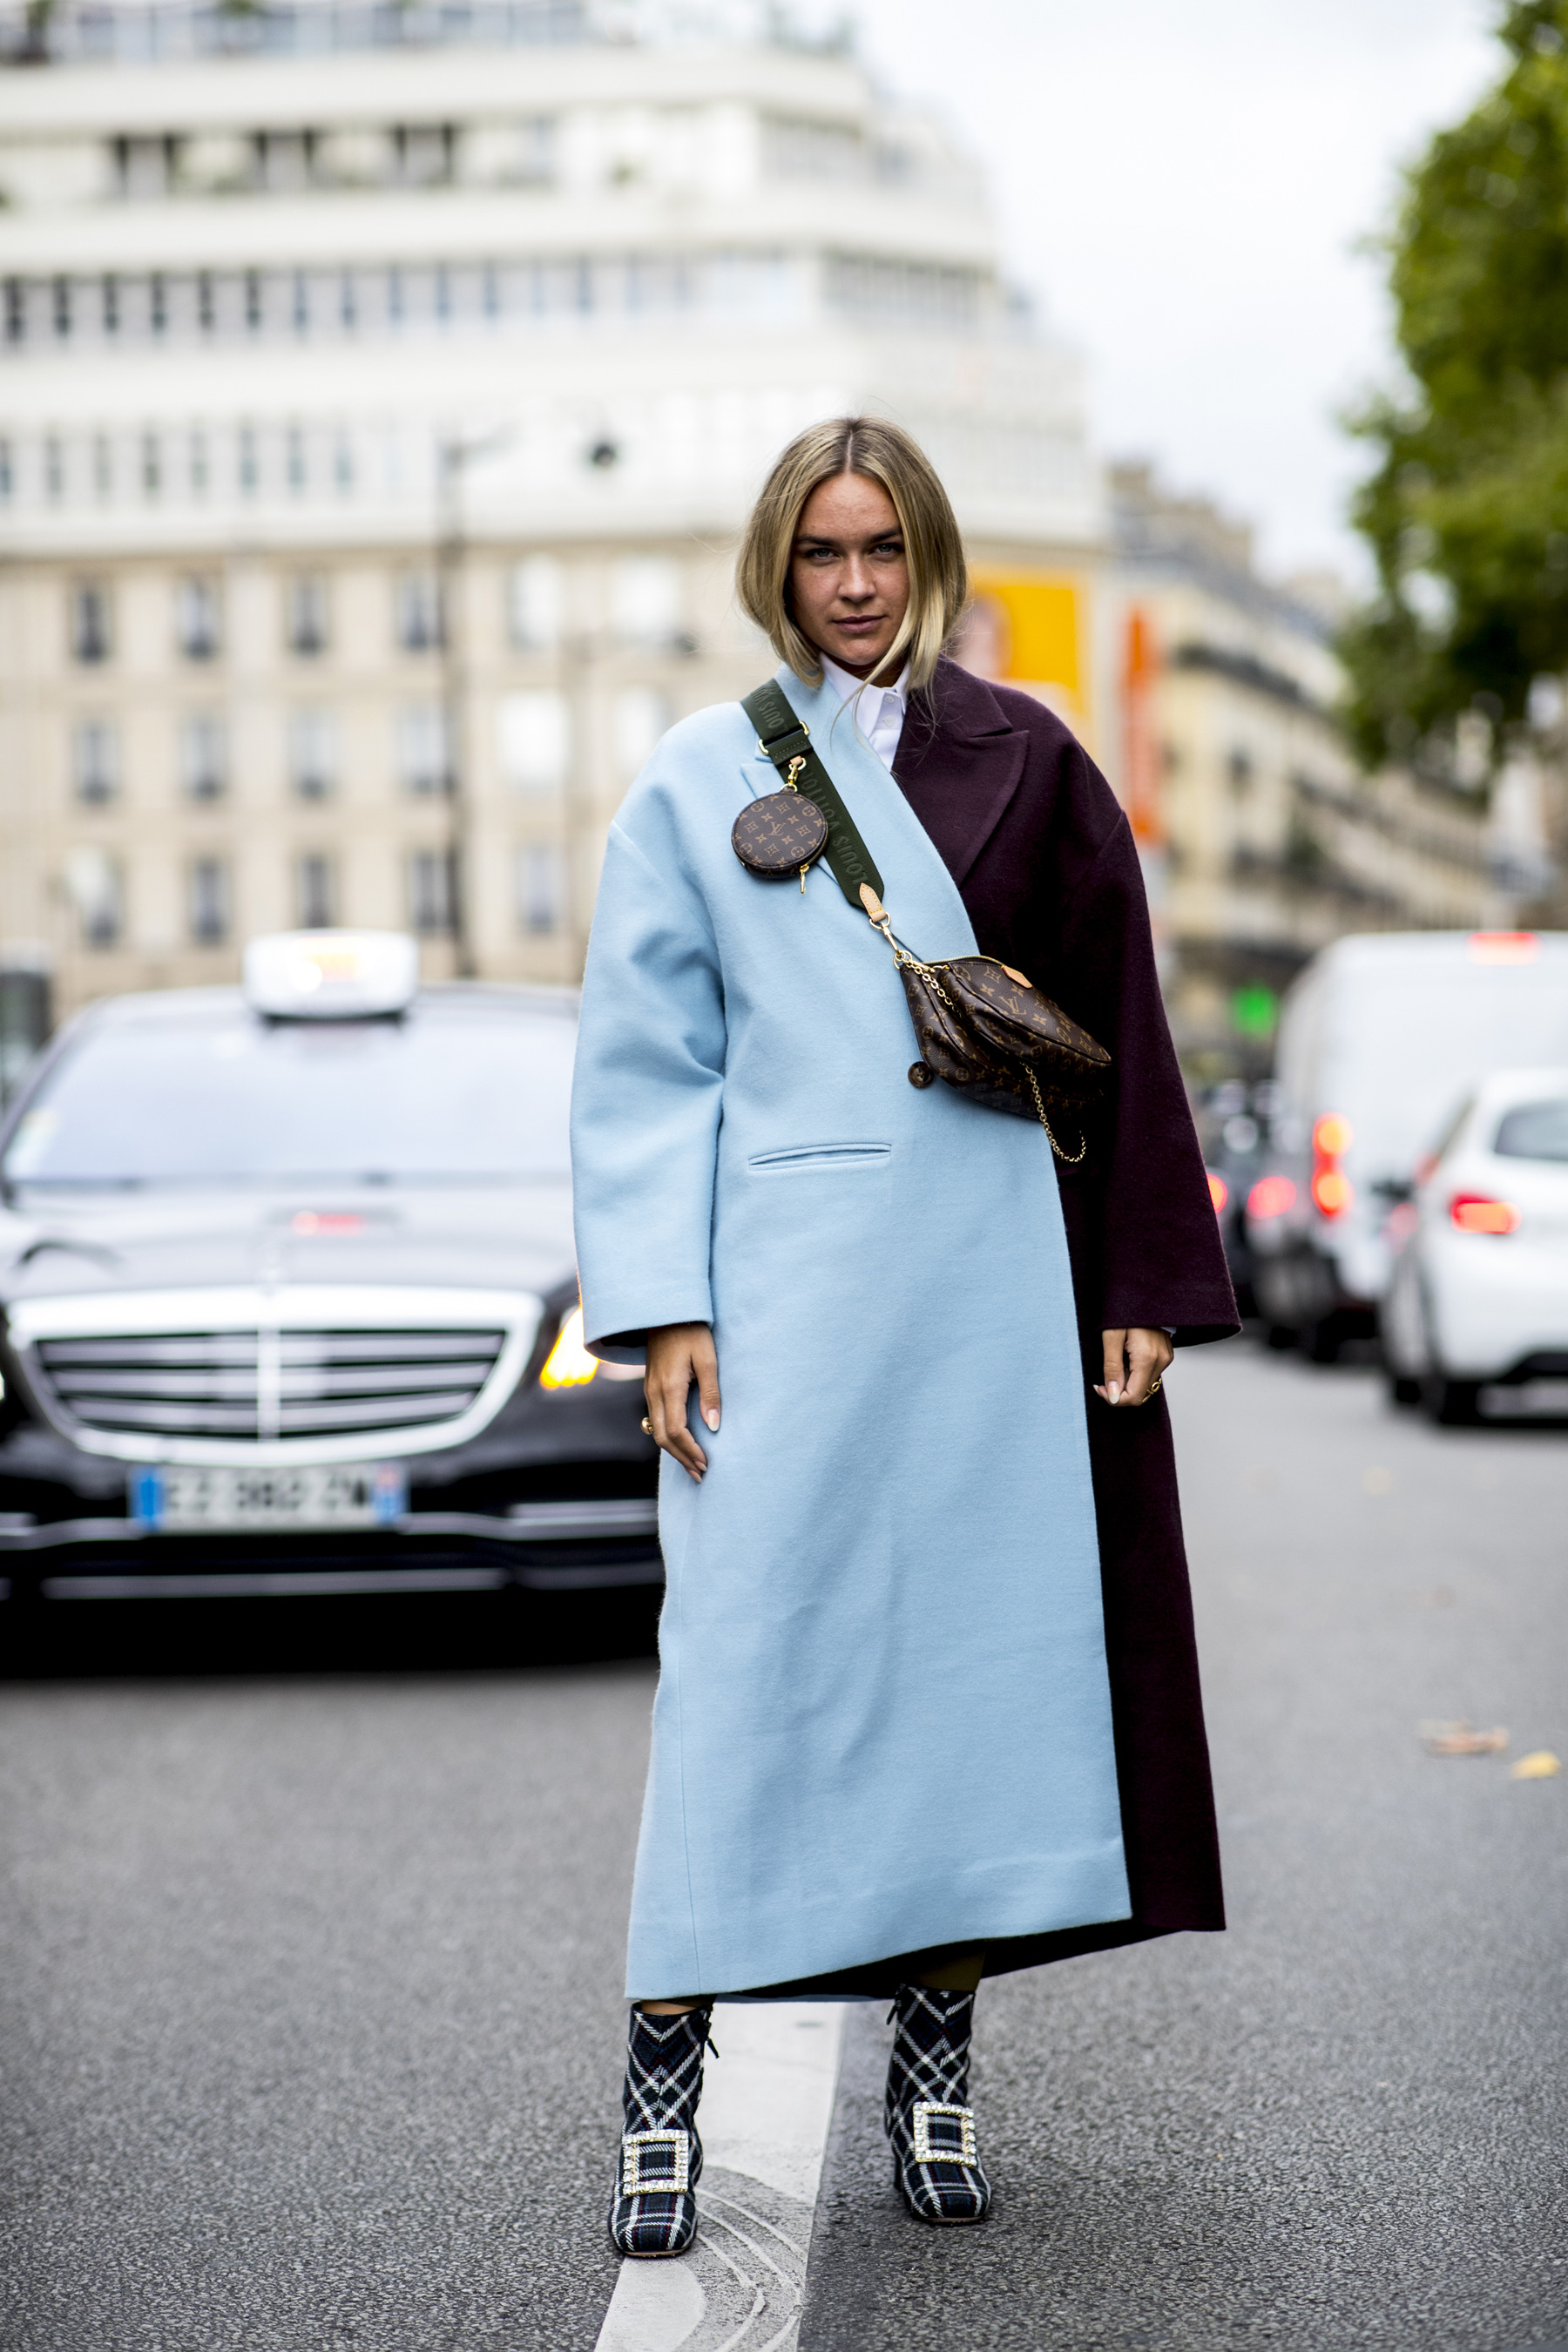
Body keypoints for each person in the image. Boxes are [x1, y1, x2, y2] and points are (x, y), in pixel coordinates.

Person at [569, 416, 1237, 2257]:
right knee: (739, 1676)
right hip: (776, 1300)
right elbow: (643, 1070)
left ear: (928, 554)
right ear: (774, 569)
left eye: (880, 550)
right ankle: (661, 2096)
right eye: (819, 555)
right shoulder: (695, 778)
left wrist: (1140, 1292)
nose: (854, 585)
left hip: (989, 1297)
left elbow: (1124, 1025)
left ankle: (931, 2080)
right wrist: (666, 1311)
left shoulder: (1033, 758)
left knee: (966, 1684)